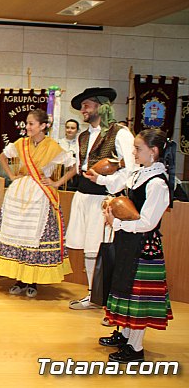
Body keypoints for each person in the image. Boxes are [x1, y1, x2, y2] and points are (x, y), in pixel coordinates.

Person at [98, 129, 174, 363]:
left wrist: (117, 222)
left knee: (139, 299)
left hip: (144, 247)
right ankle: (125, 335)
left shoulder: (158, 184)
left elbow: (147, 223)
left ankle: (136, 348)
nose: (133, 152)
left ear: (154, 151)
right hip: (128, 243)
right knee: (125, 290)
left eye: (138, 149)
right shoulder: (140, 174)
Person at [0, 109, 76, 297]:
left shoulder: (52, 146)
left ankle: (33, 281)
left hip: (40, 195)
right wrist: (11, 176)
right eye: (27, 123)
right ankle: (19, 279)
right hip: (19, 192)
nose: (28, 127)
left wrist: (56, 183)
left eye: (32, 123)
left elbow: (73, 166)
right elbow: (3, 156)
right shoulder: (21, 143)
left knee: (35, 238)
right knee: (17, 233)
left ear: (43, 126)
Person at [66, 87, 135, 311]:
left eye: (86, 105)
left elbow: (130, 169)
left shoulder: (120, 133)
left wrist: (105, 181)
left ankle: (106, 298)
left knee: (100, 248)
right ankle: (91, 294)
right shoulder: (83, 136)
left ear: (101, 106)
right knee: (88, 248)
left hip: (104, 199)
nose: (82, 110)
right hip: (83, 196)